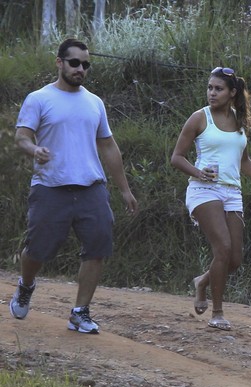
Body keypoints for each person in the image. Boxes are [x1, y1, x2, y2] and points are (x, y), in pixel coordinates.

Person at [11, 38, 138, 334]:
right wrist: (34, 150)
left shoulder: (94, 102)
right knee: (37, 249)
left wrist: (124, 189)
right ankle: (26, 285)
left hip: (91, 187)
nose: (81, 68)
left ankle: (80, 312)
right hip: (50, 187)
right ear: (59, 63)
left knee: (97, 246)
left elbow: (108, 146)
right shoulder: (39, 99)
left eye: (86, 64)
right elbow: (21, 136)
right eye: (75, 63)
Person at [171, 66, 251, 331]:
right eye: (210, 87)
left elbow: (243, 160)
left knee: (234, 259)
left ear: (232, 92)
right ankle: (217, 313)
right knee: (222, 247)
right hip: (203, 190)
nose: (212, 93)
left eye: (218, 88)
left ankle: (202, 282)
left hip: (232, 192)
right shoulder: (199, 118)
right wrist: (198, 172)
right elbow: (176, 157)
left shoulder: (240, 122)